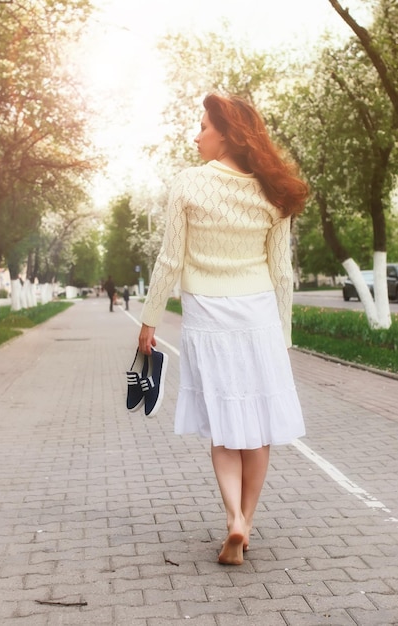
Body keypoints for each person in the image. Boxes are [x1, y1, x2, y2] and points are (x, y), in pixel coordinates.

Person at [138, 92, 308, 565]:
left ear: (226, 134)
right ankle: (246, 522)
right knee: (257, 428)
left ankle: (232, 515)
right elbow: (280, 272)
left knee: (223, 425)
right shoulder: (273, 193)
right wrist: (285, 334)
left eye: (203, 128)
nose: (197, 136)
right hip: (257, 316)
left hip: (205, 316)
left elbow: (170, 259)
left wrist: (149, 319)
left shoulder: (188, 184)